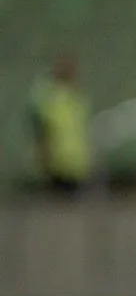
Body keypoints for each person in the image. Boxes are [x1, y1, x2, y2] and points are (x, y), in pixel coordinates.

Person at [28, 55, 92, 198]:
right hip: (57, 164)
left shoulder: (77, 98)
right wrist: (43, 153)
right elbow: (43, 128)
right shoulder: (50, 97)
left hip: (77, 164)